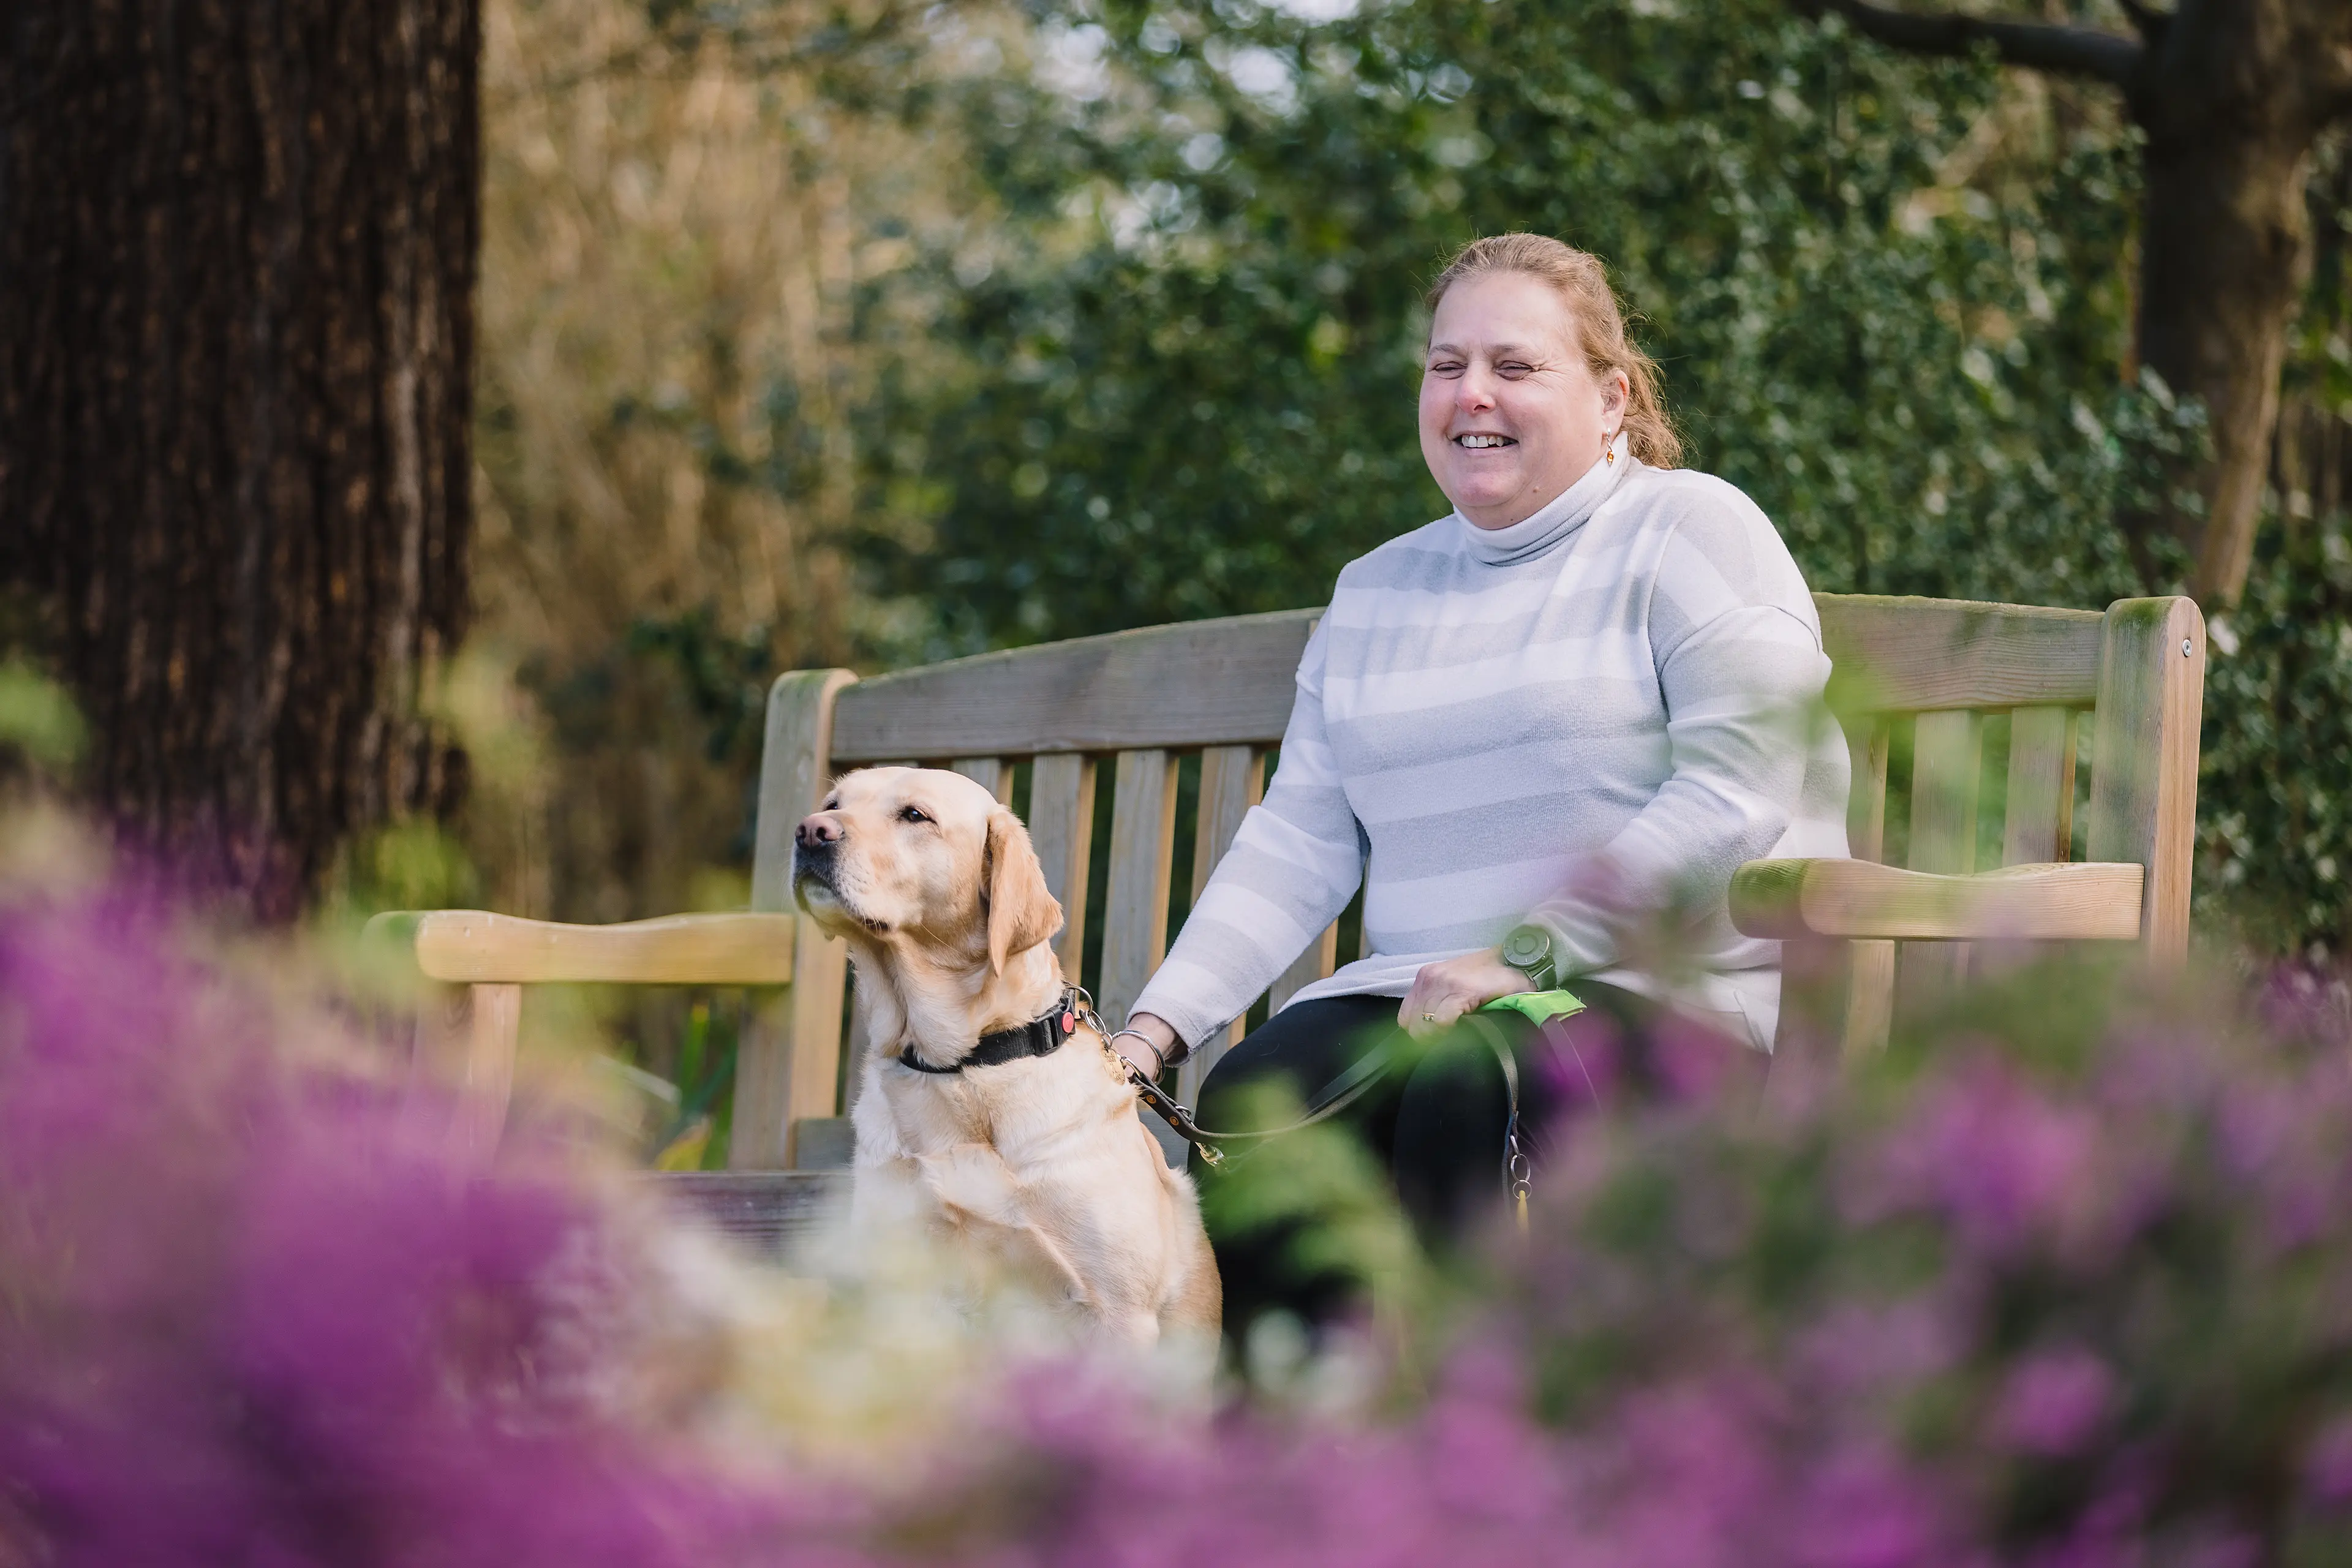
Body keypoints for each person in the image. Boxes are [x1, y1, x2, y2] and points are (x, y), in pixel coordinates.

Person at [1105, 233, 1849, 1330]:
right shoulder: (1376, 590)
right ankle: (1290, 1459)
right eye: (1447, 365)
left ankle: (1482, 1463)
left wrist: (1525, 953)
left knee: (1468, 1084)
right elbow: (1301, 837)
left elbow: (1738, 788)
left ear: (1614, 398)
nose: (1472, 395)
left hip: (1649, 1007)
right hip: (1416, 1003)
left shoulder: (1693, 530)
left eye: (1516, 365)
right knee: (1257, 1096)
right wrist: (1152, 1032)